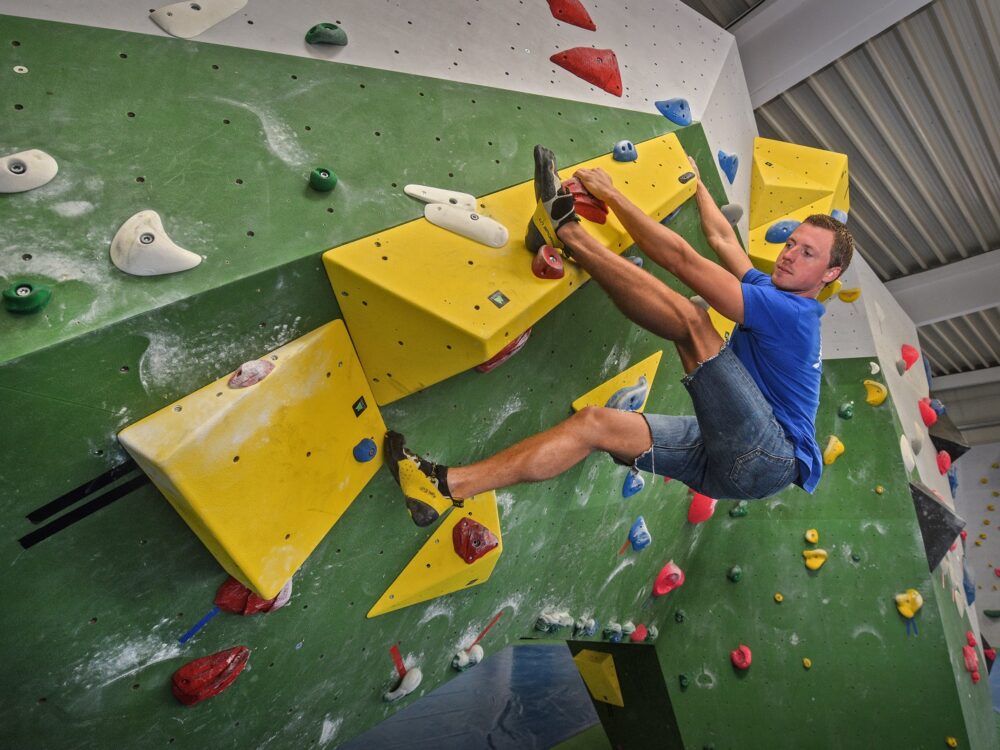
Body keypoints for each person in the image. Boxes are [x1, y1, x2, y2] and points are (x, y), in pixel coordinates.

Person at [386, 145, 854, 527]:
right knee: (595, 425)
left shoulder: (794, 314)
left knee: (694, 323)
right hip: (737, 465)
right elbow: (723, 240)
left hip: (769, 452)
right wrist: (697, 184)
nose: (789, 255)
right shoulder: (771, 289)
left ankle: (567, 231)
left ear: (829, 274)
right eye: (791, 243)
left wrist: (611, 195)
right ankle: (444, 485)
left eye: (808, 254)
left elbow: (683, 261)